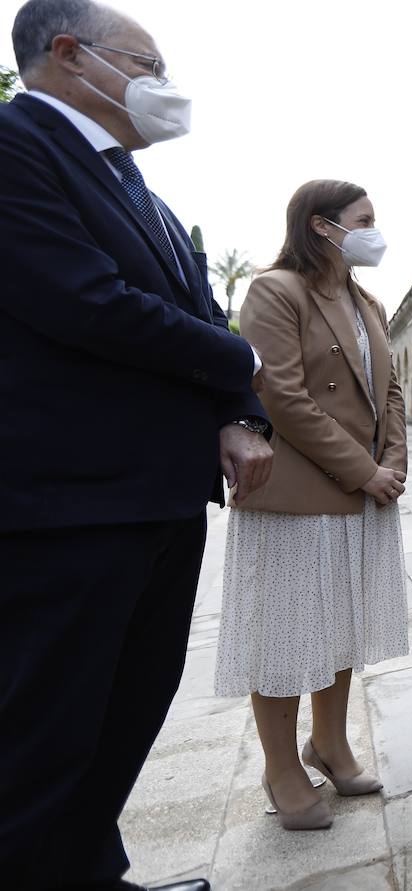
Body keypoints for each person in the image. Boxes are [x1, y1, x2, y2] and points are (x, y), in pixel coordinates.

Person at [0, 2, 269, 888]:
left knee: (123, 714)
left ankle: (89, 870)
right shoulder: (17, 146)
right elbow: (87, 302)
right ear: (70, 55)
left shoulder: (134, 184)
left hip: (158, 494)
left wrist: (241, 408)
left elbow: (196, 307)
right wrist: (245, 358)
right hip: (72, 504)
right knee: (48, 734)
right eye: (148, 65)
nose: (165, 86)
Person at [215, 180, 410, 830]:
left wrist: (394, 464)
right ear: (323, 226)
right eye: (365, 219)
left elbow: (393, 393)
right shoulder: (276, 290)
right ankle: (280, 766)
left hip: (357, 493)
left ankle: (329, 742)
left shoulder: (368, 303)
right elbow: (282, 398)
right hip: (296, 496)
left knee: (340, 627)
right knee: (286, 633)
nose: (375, 229)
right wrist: (364, 468)